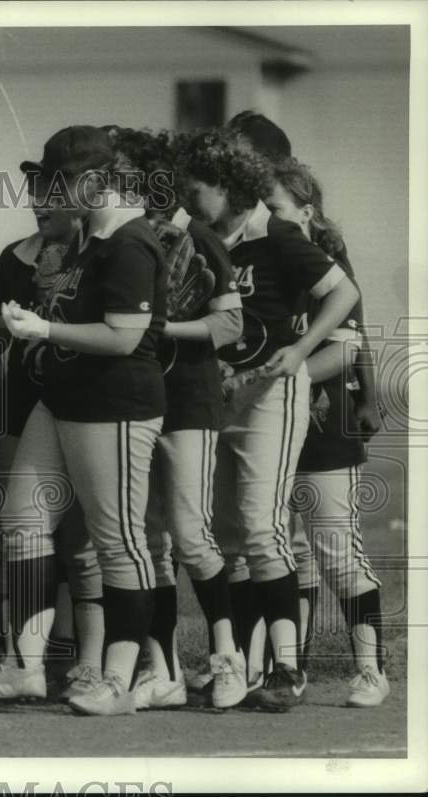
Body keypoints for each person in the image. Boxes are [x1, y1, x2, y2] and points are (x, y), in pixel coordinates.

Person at [0, 126, 168, 716]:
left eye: (61, 179)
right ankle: (25, 668)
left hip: (114, 406)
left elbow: (125, 337)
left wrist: (43, 329)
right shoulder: (86, 239)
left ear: (97, 182)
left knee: (117, 541)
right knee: (22, 520)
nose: (48, 189)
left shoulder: (128, 241)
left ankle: (118, 679)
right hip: (62, 399)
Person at [179, 127, 359, 711]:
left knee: (262, 528)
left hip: (270, 395)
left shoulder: (276, 234)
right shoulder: (196, 237)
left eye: (198, 187)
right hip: (215, 397)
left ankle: (287, 669)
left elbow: (344, 293)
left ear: (231, 187)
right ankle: (239, 666)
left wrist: (302, 352)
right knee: (226, 537)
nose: (188, 197)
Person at [110, 126, 248, 710]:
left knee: (191, 535)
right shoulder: (123, 241)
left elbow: (231, 326)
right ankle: (162, 670)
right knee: (150, 540)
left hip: (189, 400)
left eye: (126, 176)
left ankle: (228, 660)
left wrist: (164, 329)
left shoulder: (200, 238)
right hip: (139, 401)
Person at [267, 158, 388, 707]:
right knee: (289, 547)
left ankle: (371, 670)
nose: (266, 220)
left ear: (307, 213)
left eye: (276, 210)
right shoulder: (263, 263)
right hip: (272, 418)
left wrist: (366, 398)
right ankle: (294, 668)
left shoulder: (326, 265)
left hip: (322, 421)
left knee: (335, 545)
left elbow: (349, 346)